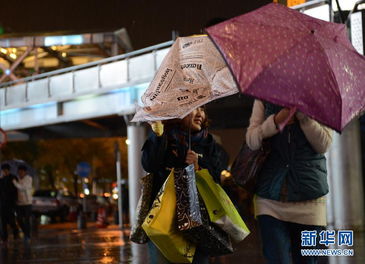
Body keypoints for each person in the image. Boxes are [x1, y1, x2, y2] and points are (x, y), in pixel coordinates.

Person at [246, 100, 333, 264]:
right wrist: (274, 121)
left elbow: (324, 145)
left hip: (310, 200)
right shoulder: (262, 97)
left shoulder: (319, 97)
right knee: (277, 258)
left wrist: (304, 117)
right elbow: (252, 141)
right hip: (270, 198)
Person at [141, 106, 229, 264]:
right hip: (164, 220)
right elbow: (149, 164)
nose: (199, 114)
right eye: (193, 109)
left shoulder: (209, 143)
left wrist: (198, 165)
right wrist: (158, 135)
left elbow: (216, 179)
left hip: (198, 223)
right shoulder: (163, 137)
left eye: (202, 109)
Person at [0, 163, 19, 246]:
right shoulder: (1, 179)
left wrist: (14, 202)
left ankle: (16, 233)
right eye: (3, 170)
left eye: (6, 170)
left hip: (10, 203)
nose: (4, 171)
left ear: (8, 170)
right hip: (2, 204)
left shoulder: (13, 178)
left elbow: (15, 191)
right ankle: (5, 238)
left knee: (11, 220)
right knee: (3, 222)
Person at [12, 164, 33, 242]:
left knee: (27, 220)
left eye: (22, 171)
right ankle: (26, 233)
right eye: (19, 171)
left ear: (25, 172)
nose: (20, 173)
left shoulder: (29, 179)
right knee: (19, 219)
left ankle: (27, 236)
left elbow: (22, 188)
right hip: (19, 203)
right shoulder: (17, 179)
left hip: (27, 203)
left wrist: (15, 183)